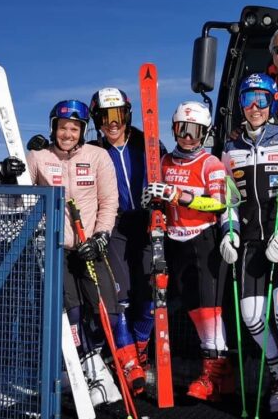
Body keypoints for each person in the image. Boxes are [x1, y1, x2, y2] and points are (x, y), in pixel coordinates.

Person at [0, 100, 123, 407]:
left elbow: (109, 202)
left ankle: (98, 369)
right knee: (71, 313)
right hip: (55, 248)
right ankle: (84, 373)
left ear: (82, 131)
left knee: (105, 308)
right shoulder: (39, 156)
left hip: (90, 245)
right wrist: (7, 176)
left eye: (74, 128)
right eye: (62, 127)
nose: (67, 134)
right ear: (53, 126)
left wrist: (100, 237)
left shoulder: (98, 156)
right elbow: (14, 202)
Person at [220, 73, 278, 416]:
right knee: (252, 318)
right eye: (248, 100)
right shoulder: (231, 148)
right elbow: (227, 198)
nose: (255, 107)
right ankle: (277, 371)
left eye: (261, 99)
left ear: (273, 101)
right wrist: (228, 232)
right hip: (250, 243)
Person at [140, 100, 234, 402]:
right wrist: (153, 203)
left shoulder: (212, 164)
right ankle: (219, 372)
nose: (188, 137)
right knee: (193, 306)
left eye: (195, 131)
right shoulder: (164, 162)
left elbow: (218, 203)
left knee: (209, 309)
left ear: (205, 133)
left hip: (201, 241)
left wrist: (178, 196)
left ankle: (216, 375)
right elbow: (158, 199)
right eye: (182, 129)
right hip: (173, 241)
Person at [87, 87, 155, 391]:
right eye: (105, 116)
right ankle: (127, 362)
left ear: (127, 115)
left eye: (117, 115)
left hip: (146, 222)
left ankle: (139, 350)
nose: (112, 123)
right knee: (121, 296)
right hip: (113, 227)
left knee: (149, 295)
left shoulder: (147, 143)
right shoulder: (92, 150)